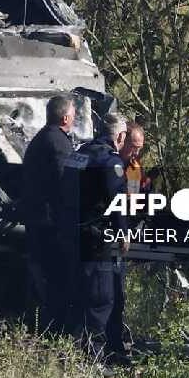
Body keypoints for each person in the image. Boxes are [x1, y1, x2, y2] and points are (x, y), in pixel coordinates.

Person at [20, 94, 79, 333]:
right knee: (57, 279)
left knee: (47, 278)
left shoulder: (43, 139)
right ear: (65, 117)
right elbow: (65, 182)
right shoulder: (57, 143)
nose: (75, 119)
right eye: (73, 115)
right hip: (50, 224)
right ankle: (55, 330)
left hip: (39, 220)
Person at [74, 112, 129, 363]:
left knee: (80, 295)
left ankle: (77, 351)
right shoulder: (111, 162)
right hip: (98, 238)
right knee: (102, 298)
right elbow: (117, 202)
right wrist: (123, 232)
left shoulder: (79, 154)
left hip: (72, 233)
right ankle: (93, 359)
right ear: (120, 136)